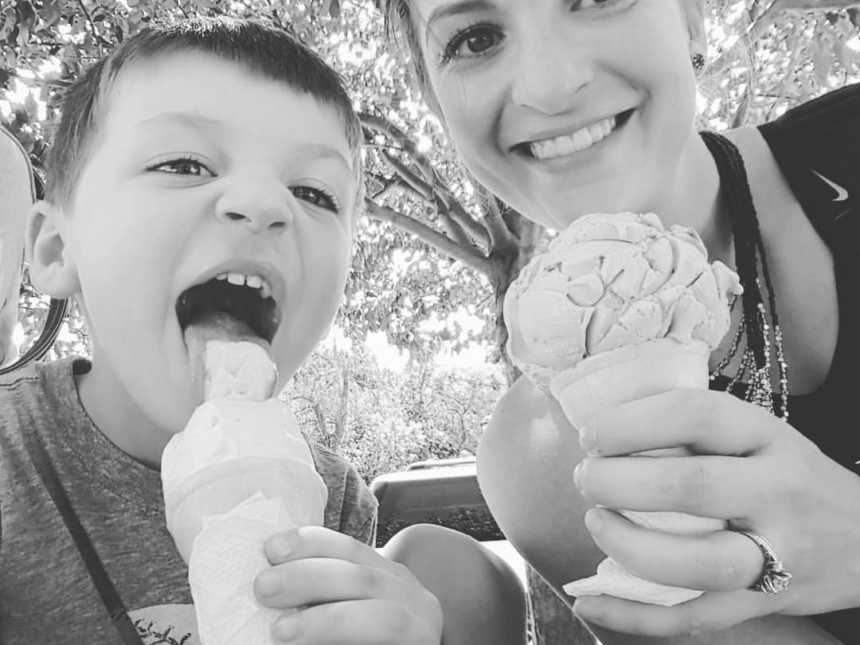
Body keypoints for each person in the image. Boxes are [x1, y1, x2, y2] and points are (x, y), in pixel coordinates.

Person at [0, 17, 526, 645]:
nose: (265, 203)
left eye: (313, 191)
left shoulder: (329, 498)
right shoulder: (11, 460)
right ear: (58, 249)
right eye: (184, 163)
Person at [379, 0, 860, 643]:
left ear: (691, 18)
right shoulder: (542, 456)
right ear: (438, 105)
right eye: (475, 38)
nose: (550, 87)